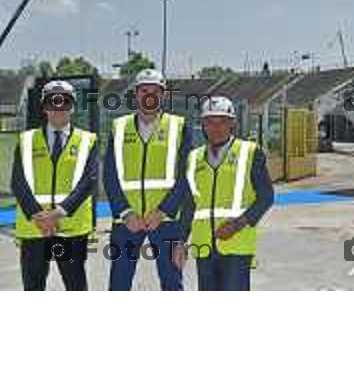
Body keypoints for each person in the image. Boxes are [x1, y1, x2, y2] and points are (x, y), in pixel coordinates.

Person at [104, 68, 193, 291]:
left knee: (172, 283)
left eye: (155, 90)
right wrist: (125, 212)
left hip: (166, 221)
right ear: (136, 94)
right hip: (127, 222)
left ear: (163, 95)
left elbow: (185, 176)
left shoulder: (179, 127)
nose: (149, 95)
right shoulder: (119, 127)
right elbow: (110, 175)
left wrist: (163, 211)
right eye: (144, 90)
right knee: (119, 285)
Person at [11, 80, 98, 291]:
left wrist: (58, 214)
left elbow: (89, 181)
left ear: (73, 106)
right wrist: (38, 216)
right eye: (53, 102)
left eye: (65, 102)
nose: (59, 108)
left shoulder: (87, 140)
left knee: (75, 286)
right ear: (44, 107)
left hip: (68, 230)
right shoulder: (26, 140)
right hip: (35, 229)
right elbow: (18, 182)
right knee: (34, 287)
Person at [186, 96, 274, 291]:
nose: (215, 128)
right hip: (204, 246)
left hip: (236, 245)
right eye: (210, 122)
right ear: (203, 125)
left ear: (232, 123)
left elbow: (266, 197)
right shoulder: (193, 158)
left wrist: (236, 225)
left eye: (222, 121)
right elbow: (189, 204)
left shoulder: (250, 152)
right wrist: (180, 241)